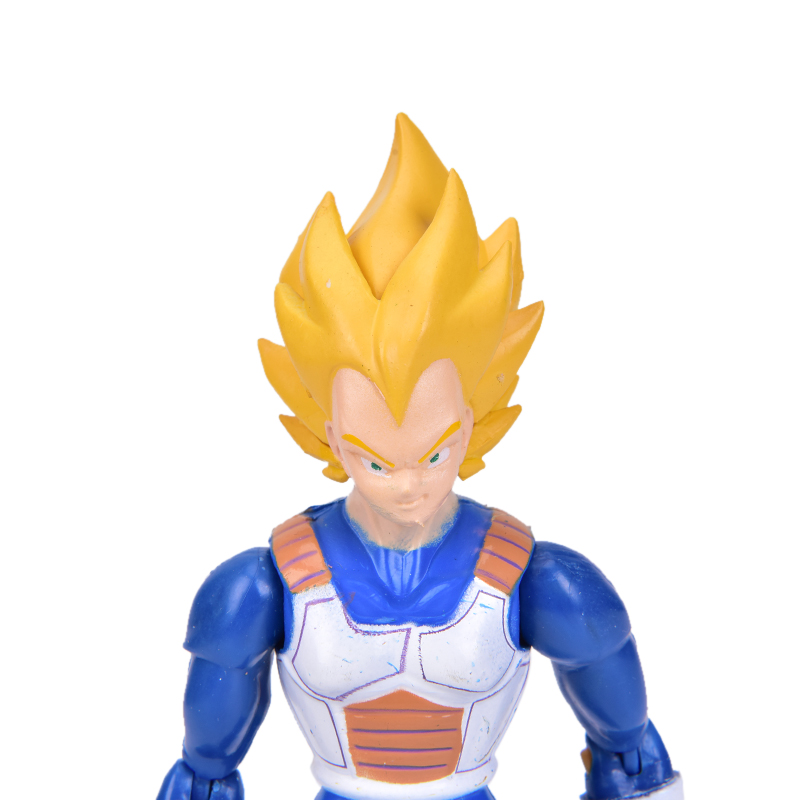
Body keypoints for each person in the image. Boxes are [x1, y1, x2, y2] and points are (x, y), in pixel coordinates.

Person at [157, 114, 683, 800]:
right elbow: (207, 760)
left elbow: (622, 733)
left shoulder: (538, 580)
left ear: (473, 420)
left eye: (434, 454)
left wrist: (629, 763)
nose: (408, 485)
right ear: (331, 436)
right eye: (376, 461)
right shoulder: (265, 584)